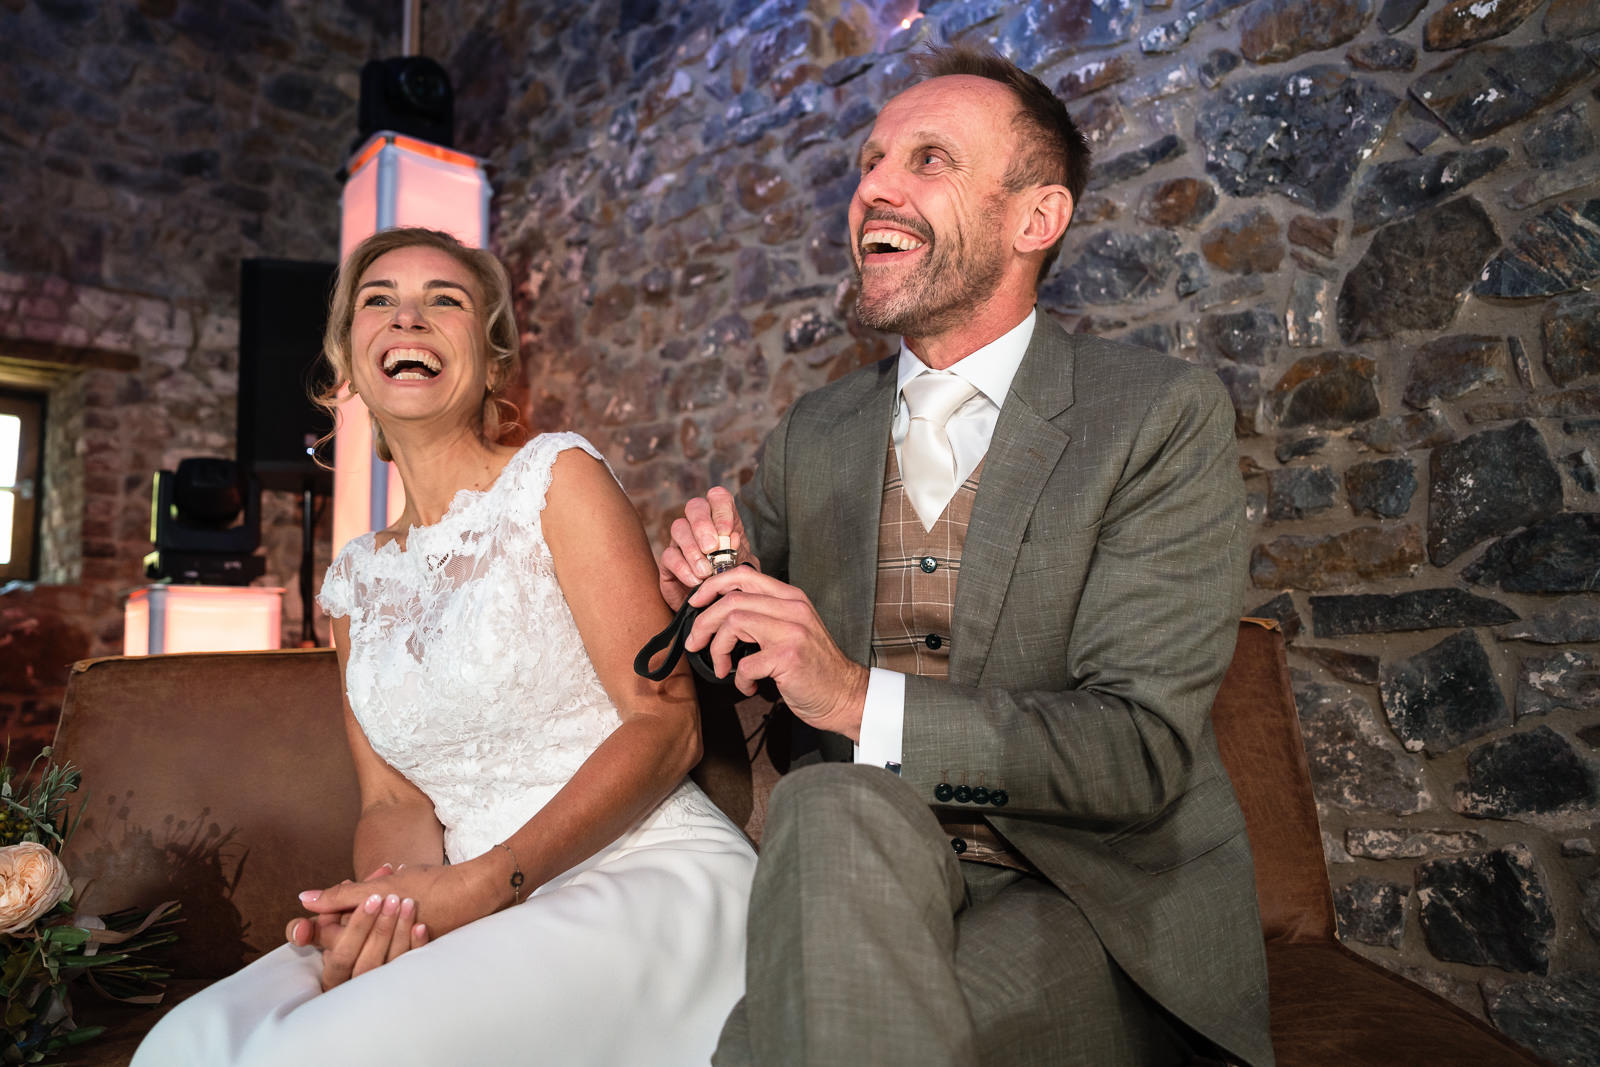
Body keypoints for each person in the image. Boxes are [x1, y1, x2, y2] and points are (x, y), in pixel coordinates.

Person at [658, 45, 1273, 1067]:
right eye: (868, 160)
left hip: (1087, 899)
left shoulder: (1155, 416)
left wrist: (853, 697)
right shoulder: (814, 431)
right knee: (828, 797)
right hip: (853, 863)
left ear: (1035, 219)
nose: (873, 188)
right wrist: (702, 588)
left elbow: (1135, 750)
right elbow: (717, 648)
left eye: (927, 159)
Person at [134, 227, 757, 1066]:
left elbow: (668, 720)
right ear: (348, 364)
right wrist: (391, 912)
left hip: (641, 874)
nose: (409, 319)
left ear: (493, 362)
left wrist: (480, 884)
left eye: (445, 301)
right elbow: (392, 802)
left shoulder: (557, 478)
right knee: (185, 1044)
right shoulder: (353, 583)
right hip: (462, 897)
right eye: (379, 301)